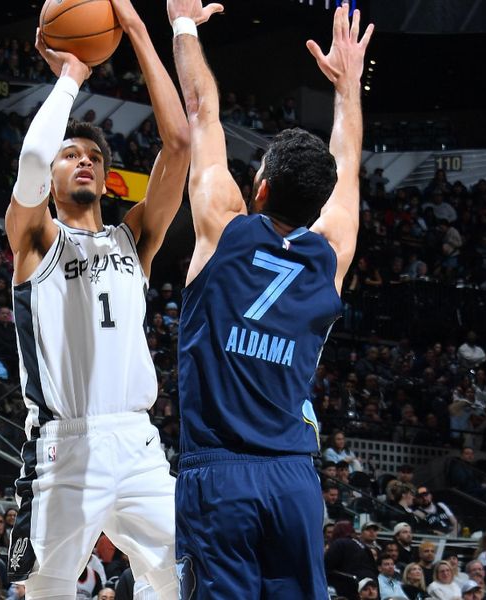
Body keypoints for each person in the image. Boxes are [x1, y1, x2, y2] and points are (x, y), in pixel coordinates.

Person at [168, 1, 373, 597]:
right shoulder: (331, 253)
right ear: (318, 203)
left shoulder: (224, 228)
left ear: (257, 187)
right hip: (294, 482)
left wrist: (183, 25)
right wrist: (347, 88)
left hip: (219, 473)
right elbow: (350, 164)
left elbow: (203, 112)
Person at [5, 1, 191, 597]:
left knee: (180, 578)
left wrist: (136, 27)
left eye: (94, 156)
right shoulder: (36, 237)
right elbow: (33, 157)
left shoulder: (131, 238)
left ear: (106, 177)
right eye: (72, 154)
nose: (84, 159)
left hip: (137, 441)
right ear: (54, 179)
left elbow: (180, 142)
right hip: (64, 447)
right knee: (46, 591)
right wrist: (70, 78)